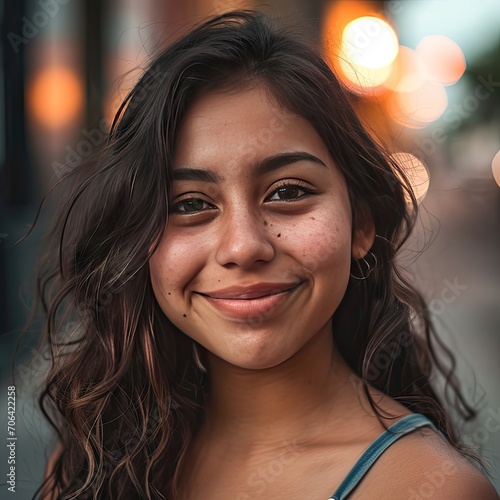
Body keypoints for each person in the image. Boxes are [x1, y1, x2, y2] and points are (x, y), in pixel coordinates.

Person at [35, 10, 498, 500]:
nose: (243, 247)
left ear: (361, 224)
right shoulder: (89, 460)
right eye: (190, 204)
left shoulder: (427, 489)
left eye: (287, 192)